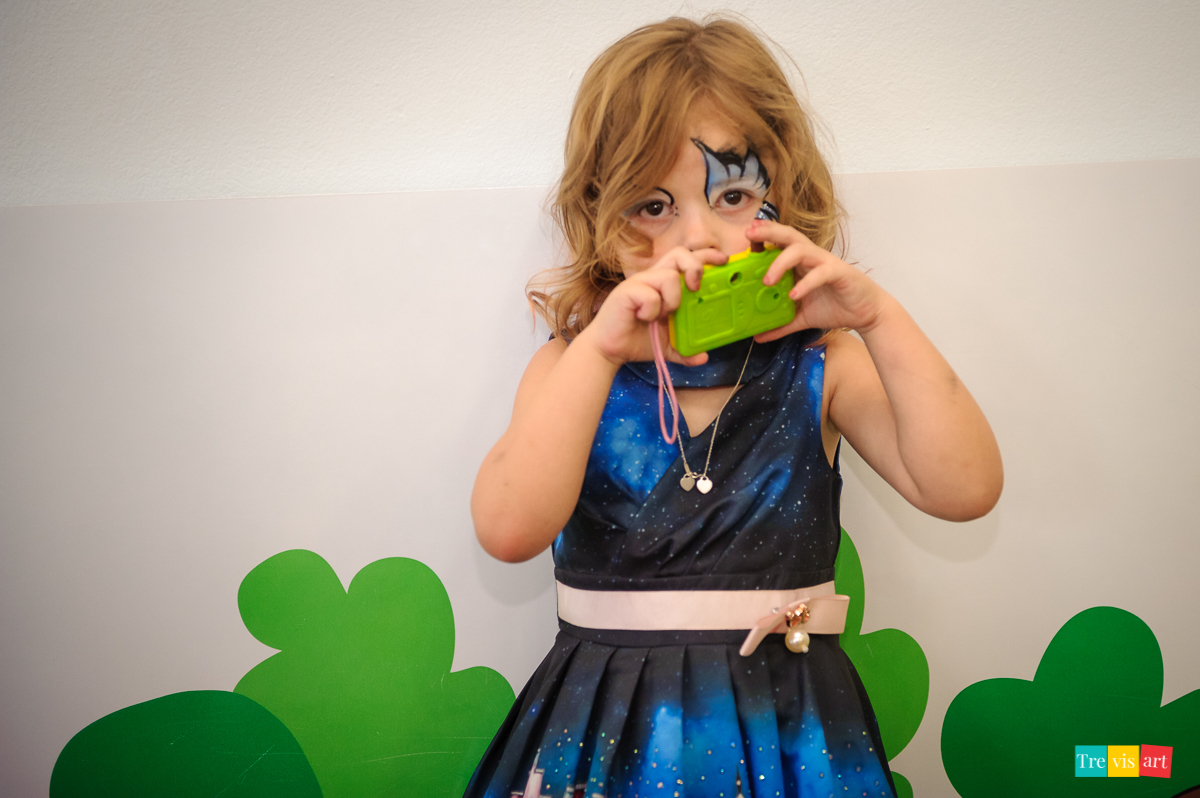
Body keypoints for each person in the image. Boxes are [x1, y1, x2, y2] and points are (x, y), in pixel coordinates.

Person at [466, 16, 1002, 798]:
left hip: (793, 735)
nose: (699, 240)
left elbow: (964, 488)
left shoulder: (826, 364)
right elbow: (508, 531)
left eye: (734, 194)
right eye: (651, 207)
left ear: (785, 196)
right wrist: (597, 352)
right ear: (598, 215)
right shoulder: (569, 368)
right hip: (606, 737)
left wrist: (878, 318)